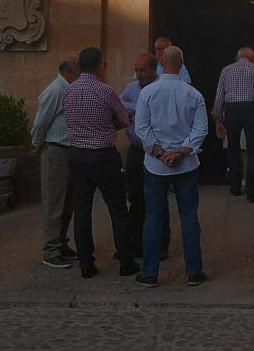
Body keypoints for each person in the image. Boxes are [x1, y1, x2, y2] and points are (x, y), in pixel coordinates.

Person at [133, 47, 209, 288]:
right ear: (182, 63)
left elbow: (141, 128)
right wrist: (181, 152)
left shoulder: (147, 93)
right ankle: (194, 272)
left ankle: (150, 272)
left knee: (153, 217)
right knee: (189, 217)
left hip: (156, 164)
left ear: (160, 64)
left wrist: (160, 152)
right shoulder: (194, 94)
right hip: (185, 164)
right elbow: (200, 130)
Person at [62, 46, 138, 278]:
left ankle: (86, 263)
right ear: (99, 66)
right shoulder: (105, 91)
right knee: (117, 207)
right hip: (103, 154)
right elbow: (124, 119)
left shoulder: (68, 91)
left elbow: (68, 118)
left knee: (82, 209)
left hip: (77, 154)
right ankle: (126, 261)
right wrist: (107, 126)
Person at [30, 57, 80, 269]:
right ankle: (51, 250)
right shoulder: (55, 90)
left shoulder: (67, 89)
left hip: (68, 150)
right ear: (69, 71)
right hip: (56, 150)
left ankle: (60, 243)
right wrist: (37, 142)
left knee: (67, 201)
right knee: (55, 201)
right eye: (78, 70)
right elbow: (41, 121)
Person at [120, 53, 169, 260]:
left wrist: (135, 111)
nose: (138, 74)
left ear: (154, 69)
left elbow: (152, 113)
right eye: (136, 70)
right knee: (135, 197)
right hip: (135, 150)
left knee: (157, 199)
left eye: (142, 70)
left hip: (156, 152)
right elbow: (119, 105)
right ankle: (136, 242)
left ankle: (161, 244)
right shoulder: (132, 87)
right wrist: (135, 110)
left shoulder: (161, 89)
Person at [213, 46, 254, 202]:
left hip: (232, 109)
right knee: (253, 149)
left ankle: (235, 187)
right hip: (252, 108)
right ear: (252, 58)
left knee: (233, 148)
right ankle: (252, 192)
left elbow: (220, 95)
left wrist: (218, 118)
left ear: (237, 57)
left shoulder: (226, 70)